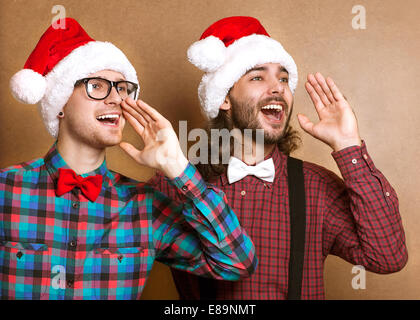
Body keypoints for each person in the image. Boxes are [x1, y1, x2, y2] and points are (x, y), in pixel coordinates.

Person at [148, 16, 408, 299]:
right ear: (224, 99)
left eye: (283, 78)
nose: (278, 88)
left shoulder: (316, 186)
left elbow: (387, 257)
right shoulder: (173, 185)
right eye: (258, 76)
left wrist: (348, 147)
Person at [0, 17, 257, 300]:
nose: (116, 99)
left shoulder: (144, 206)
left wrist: (178, 168)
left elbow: (236, 263)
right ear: (59, 104)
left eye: (122, 88)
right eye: (97, 86)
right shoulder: (5, 190)